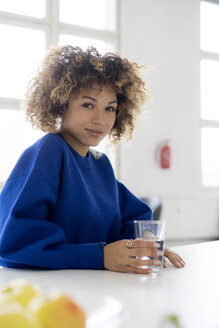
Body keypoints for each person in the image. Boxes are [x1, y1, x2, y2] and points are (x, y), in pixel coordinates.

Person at [0, 45, 185, 273]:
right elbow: (14, 247)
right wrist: (100, 256)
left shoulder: (100, 163)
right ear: (61, 104)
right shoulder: (48, 152)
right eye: (88, 105)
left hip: (97, 290)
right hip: (52, 292)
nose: (101, 119)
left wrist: (144, 241)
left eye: (110, 108)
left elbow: (135, 216)